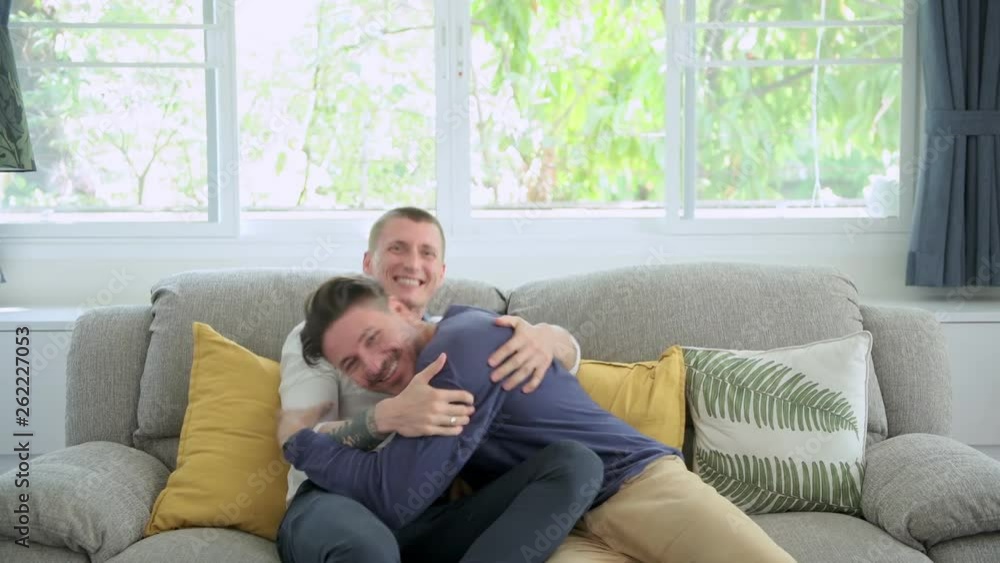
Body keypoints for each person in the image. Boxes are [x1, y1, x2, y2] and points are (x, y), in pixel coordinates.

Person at [278, 275, 797, 563]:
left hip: (638, 484)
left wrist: (302, 444)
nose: (372, 366)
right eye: (352, 364)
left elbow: (393, 494)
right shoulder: (424, 385)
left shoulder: (461, 347)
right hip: (555, 522)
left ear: (402, 310)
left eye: (373, 339)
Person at [277, 207, 585, 562]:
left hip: (431, 512)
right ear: (368, 262)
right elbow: (299, 436)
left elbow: (562, 369)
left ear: (440, 273)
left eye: (427, 253)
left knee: (573, 463)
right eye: (397, 248)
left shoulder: (458, 336)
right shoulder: (324, 335)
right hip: (332, 501)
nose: (412, 263)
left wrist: (547, 337)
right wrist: (383, 418)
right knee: (368, 549)